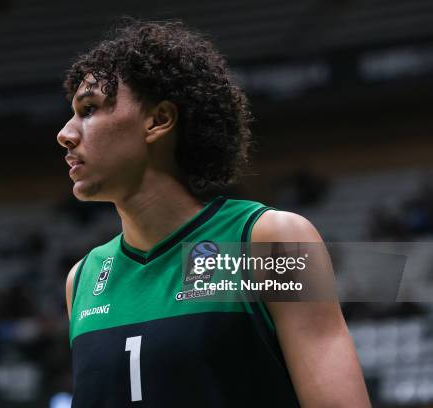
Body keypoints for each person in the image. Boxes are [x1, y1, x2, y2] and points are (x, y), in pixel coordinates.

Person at [57, 19, 370, 407]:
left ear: (158, 120)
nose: (66, 133)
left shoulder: (267, 242)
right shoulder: (83, 279)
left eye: (89, 109)